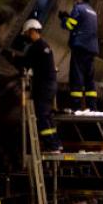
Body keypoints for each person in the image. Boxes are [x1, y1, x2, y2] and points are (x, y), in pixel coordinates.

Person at [14, 19, 61, 153]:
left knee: (41, 116)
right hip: (50, 86)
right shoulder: (45, 45)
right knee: (47, 116)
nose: (27, 37)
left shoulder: (36, 47)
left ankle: (52, 146)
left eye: (27, 34)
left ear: (32, 31)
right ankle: (56, 143)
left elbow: (26, 62)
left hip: (43, 87)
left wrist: (14, 58)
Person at [59, 0, 99, 113]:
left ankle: (75, 107)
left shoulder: (78, 8)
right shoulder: (93, 12)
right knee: (89, 79)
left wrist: (63, 19)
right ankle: (92, 107)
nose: (74, 0)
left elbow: (70, 25)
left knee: (77, 77)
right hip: (91, 49)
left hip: (80, 47)